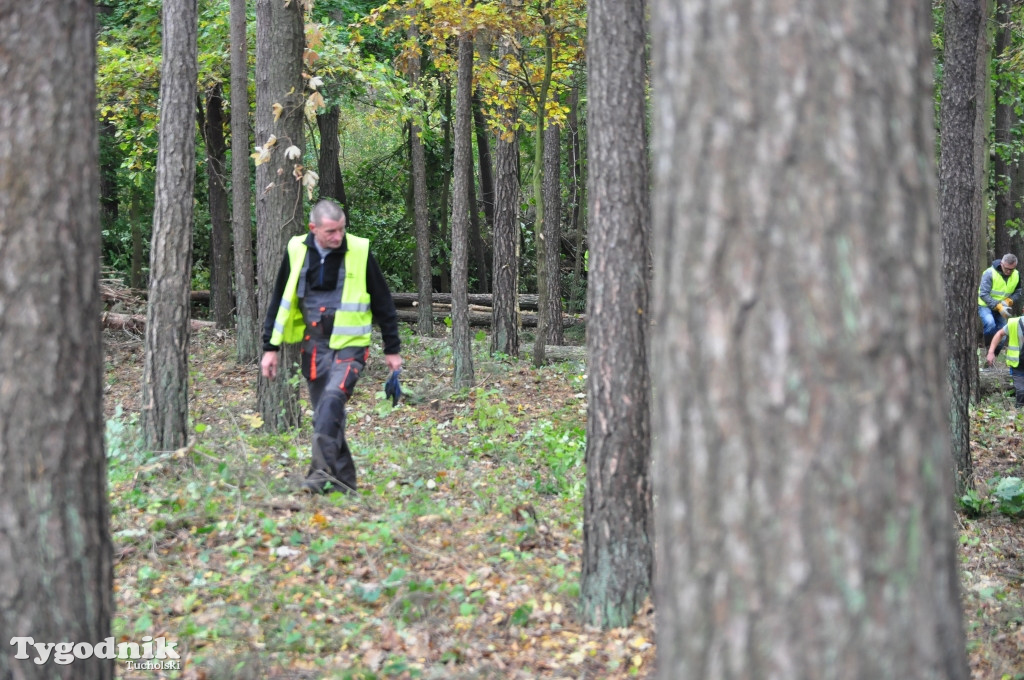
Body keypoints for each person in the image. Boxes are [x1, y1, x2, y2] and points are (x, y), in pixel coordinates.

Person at [261, 199, 402, 494]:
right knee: (326, 413)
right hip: (315, 346)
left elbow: (383, 302)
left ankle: (317, 475)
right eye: (330, 232)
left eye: (341, 230)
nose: (338, 237)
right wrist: (270, 347)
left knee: (331, 403)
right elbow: (279, 299)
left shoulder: (360, 251)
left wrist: (392, 348)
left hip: (351, 346)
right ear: (313, 229)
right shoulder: (297, 249)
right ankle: (345, 484)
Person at [978, 253, 1021, 351]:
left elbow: (1018, 292)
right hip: (985, 305)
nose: (1009, 271)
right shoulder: (989, 273)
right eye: (1006, 268)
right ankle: (989, 349)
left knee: (1004, 333)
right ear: (1001, 264)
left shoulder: (1016, 275)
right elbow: (983, 294)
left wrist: (1009, 301)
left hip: (1002, 307)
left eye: (1012, 269)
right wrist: (997, 305)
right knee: (990, 323)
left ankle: (994, 356)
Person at [987, 316, 1024, 407]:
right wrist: (991, 352)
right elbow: (1000, 334)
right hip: (1018, 364)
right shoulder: (1014, 323)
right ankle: (1019, 409)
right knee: (1021, 391)